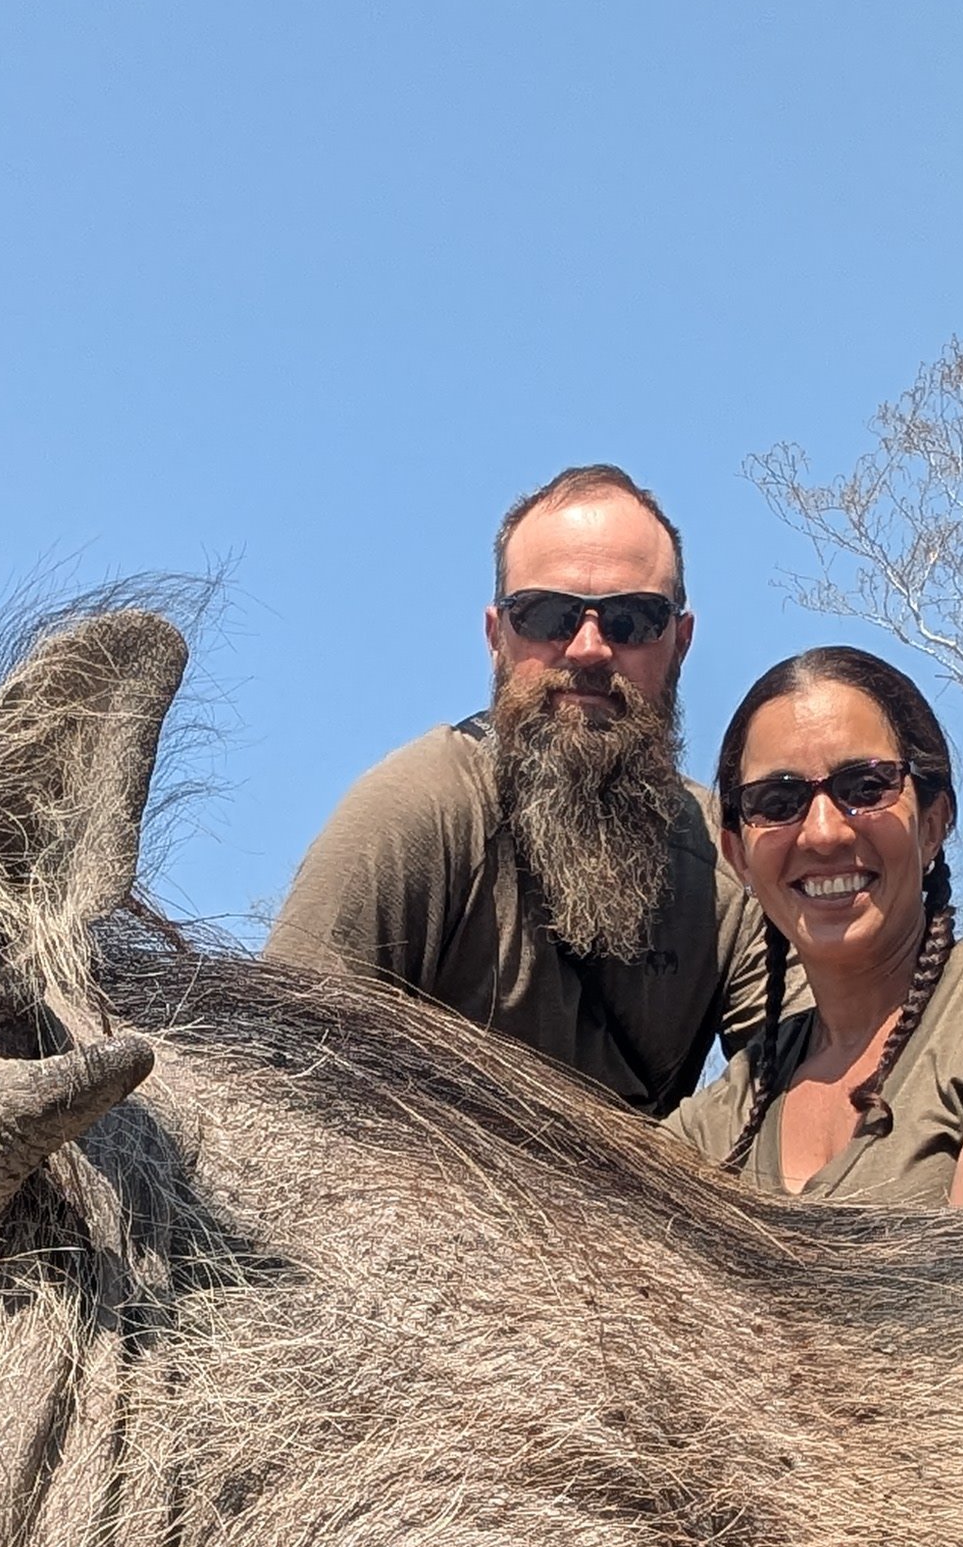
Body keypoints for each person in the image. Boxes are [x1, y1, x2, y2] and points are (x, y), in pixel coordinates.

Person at [263, 464, 776, 1113]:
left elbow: (811, 1093)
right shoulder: (417, 812)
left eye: (633, 621)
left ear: (680, 642)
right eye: (547, 614)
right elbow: (274, 1081)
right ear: (496, 638)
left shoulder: (733, 863)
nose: (589, 649)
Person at [665, 647, 963, 1206]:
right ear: (738, 857)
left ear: (933, 824)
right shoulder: (721, 1118)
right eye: (777, 800)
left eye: (866, 787)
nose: (823, 833)